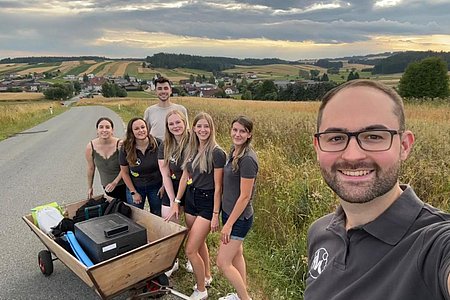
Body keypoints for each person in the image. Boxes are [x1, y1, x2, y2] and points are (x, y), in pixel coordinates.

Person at [305, 79, 450, 300]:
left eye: (374, 137)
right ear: (317, 148)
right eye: (335, 138)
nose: (353, 156)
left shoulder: (434, 243)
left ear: (404, 146)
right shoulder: (320, 232)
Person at [171, 112, 226, 300]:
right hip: (191, 198)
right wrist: (177, 202)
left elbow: (219, 187)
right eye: (199, 126)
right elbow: (185, 177)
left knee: (190, 249)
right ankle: (207, 276)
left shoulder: (217, 153)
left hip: (207, 201)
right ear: (193, 128)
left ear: (211, 129)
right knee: (199, 242)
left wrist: (215, 213)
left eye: (206, 126)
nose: (203, 130)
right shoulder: (191, 148)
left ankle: (201, 290)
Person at [216, 116, 258, 300]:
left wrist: (228, 224)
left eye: (242, 131)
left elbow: (245, 196)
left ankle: (246, 299)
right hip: (229, 213)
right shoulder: (234, 150)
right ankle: (242, 295)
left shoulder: (247, 159)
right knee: (236, 254)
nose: (237, 134)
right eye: (235, 130)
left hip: (239, 219)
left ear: (249, 134)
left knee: (223, 263)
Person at [158, 109, 190, 277]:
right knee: (170, 221)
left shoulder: (194, 140)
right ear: (167, 127)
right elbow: (164, 172)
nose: (175, 126)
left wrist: (178, 201)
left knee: (193, 225)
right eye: (171, 124)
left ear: (185, 123)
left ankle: (193, 256)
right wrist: (172, 201)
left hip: (192, 187)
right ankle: (174, 260)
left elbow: (188, 172)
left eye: (178, 122)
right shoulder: (165, 144)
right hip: (172, 184)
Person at [119, 117, 163, 216]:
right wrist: (133, 192)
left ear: (147, 128)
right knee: (135, 216)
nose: (141, 130)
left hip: (156, 186)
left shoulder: (158, 144)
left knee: (157, 214)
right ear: (131, 132)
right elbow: (124, 172)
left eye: (143, 127)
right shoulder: (126, 148)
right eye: (136, 129)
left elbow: (166, 168)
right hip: (136, 186)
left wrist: (164, 186)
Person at [85, 117, 126, 201]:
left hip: (124, 184)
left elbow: (126, 167)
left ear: (112, 130)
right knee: (114, 210)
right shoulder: (90, 147)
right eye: (101, 127)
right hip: (107, 187)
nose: (104, 130)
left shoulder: (120, 144)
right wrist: (90, 187)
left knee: (127, 210)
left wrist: (115, 182)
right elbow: (91, 168)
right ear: (97, 130)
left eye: (107, 127)